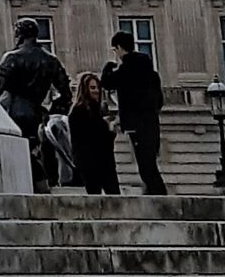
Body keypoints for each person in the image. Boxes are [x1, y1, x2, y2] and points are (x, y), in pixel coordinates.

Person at [0, 18, 73, 190]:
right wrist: (53, 111)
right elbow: (66, 93)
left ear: (20, 34)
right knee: (31, 151)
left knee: (19, 154)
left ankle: (38, 187)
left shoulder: (12, 57)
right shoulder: (50, 60)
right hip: (35, 112)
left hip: (12, 110)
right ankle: (40, 186)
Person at [102, 26, 169, 194]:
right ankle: (157, 194)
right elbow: (159, 100)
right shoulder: (151, 72)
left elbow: (107, 83)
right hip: (151, 121)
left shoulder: (126, 69)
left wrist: (107, 68)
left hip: (136, 123)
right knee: (150, 162)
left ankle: (159, 197)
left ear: (119, 48)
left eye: (115, 50)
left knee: (145, 166)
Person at [67, 71, 121, 195]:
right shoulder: (79, 112)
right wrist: (108, 127)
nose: (96, 90)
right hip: (91, 162)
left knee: (112, 196)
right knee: (101, 197)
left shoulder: (97, 110)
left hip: (103, 161)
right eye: (92, 87)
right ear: (84, 89)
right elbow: (92, 137)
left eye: (97, 87)